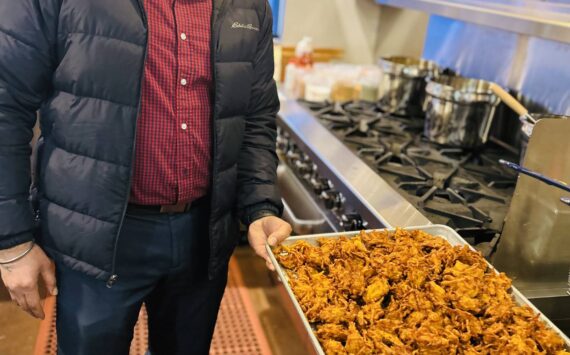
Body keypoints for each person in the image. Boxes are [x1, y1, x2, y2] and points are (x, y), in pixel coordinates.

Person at [0, 0, 291, 354]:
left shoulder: (249, 7)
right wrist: (12, 242)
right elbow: (5, 107)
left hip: (203, 237)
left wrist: (260, 206)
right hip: (96, 237)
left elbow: (255, 116)